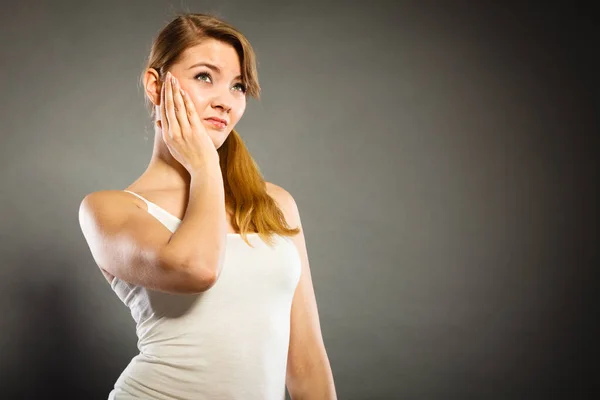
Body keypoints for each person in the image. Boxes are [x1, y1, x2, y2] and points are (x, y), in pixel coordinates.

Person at [78, 12, 337, 400]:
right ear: (155, 84)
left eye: (237, 86)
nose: (225, 101)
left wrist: (206, 167)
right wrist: (203, 165)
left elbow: (306, 361)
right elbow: (197, 268)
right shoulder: (109, 210)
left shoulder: (274, 203)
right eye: (204, 77)